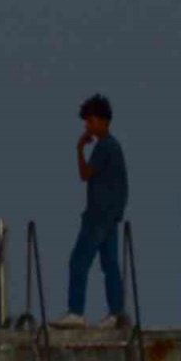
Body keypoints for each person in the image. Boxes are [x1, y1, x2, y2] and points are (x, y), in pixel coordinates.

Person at [51, 94, 130, 330]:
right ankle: (116, 314)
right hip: (110, 217)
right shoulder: (113, 146)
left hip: (98, 216)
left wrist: (78, 148)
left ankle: (76, 312)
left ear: (101, 121)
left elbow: (85, 174)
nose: (87, 126)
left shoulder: (105, 146)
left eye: (90, 121)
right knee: (110, 265)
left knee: (79, 261)